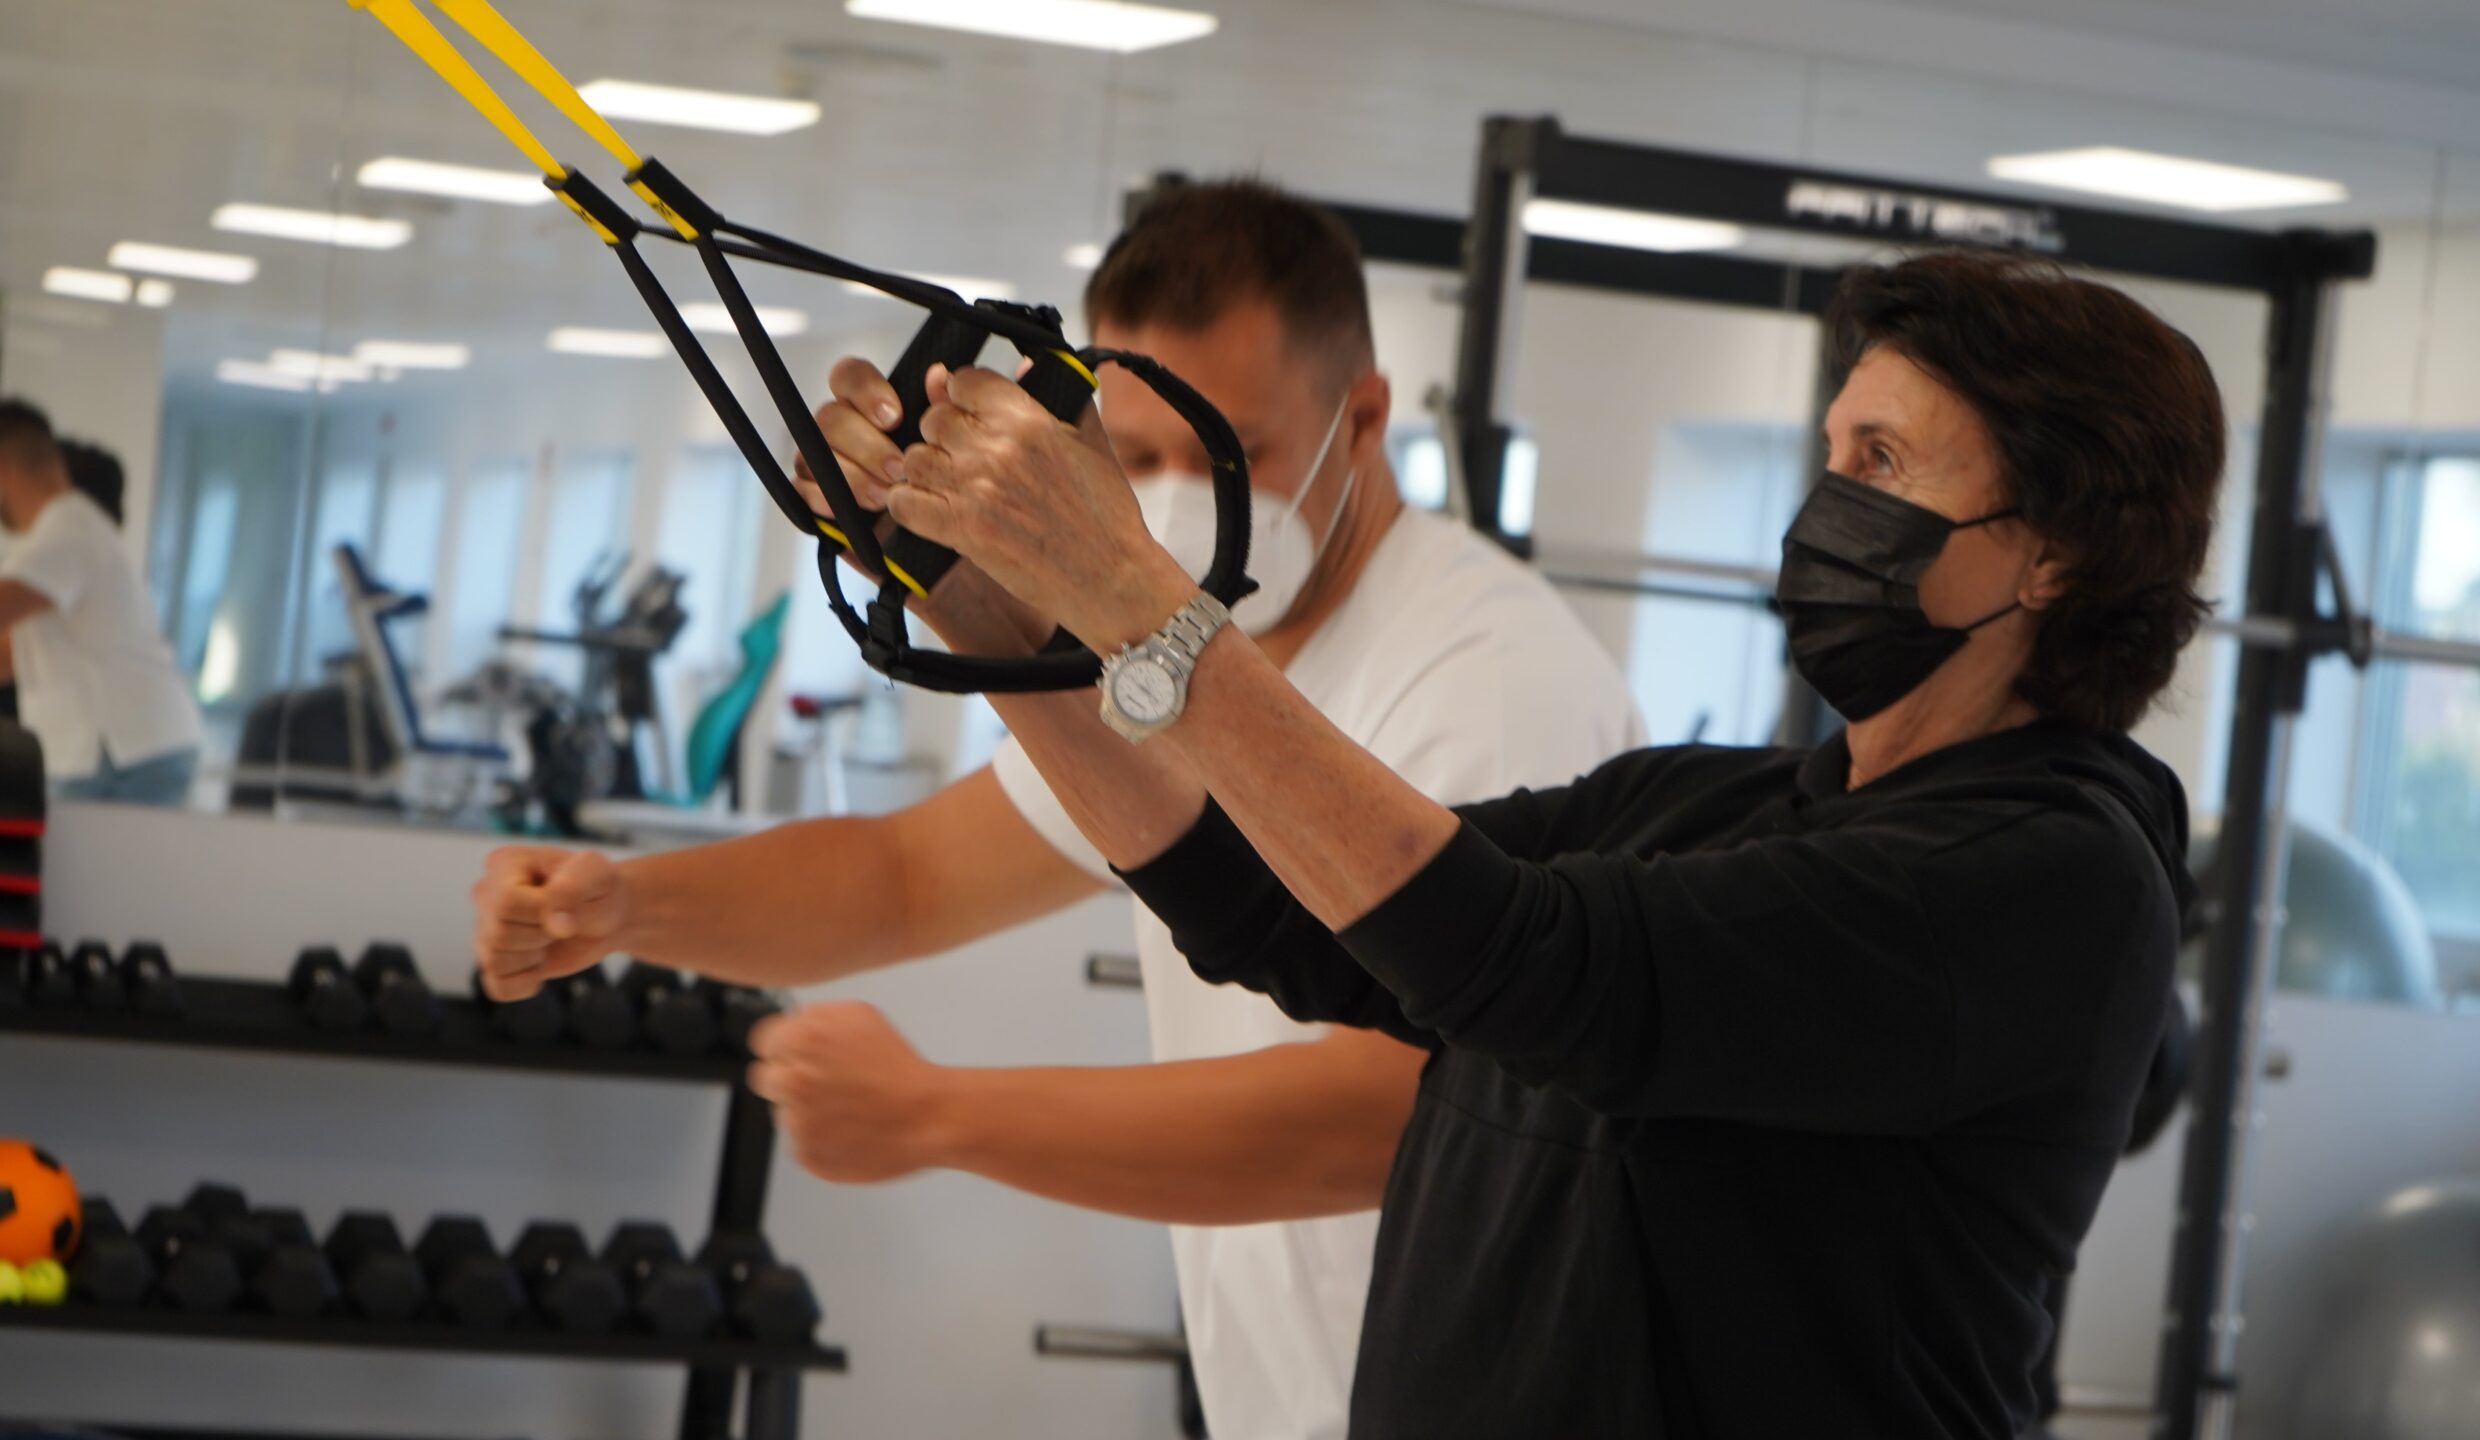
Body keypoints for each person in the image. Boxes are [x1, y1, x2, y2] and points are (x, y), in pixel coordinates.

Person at [858, 247, 2218, 1435]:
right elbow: (1281, 911)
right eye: (1831, 454)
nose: (1827, 506)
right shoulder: (1707, 805)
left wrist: (1139, 597)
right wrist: (992, 613)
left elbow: (1523, 964)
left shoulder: (2049, 883)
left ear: (2054, 557)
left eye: (1884, 463)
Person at [472, 180, 1642, 1439]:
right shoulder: (1182, 652)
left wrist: (936, 1112)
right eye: (1136, 455)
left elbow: (1388, 1110)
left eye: (1223, 450)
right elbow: (908, 876)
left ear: (1363, 418)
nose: (1175, 496)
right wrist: (625, 903)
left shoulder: (1488, 676)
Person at [0, 400, 201, 806]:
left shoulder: (67, 530)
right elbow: (6, 656)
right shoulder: (53, 537)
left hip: (125, 755)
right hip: (120, 751)